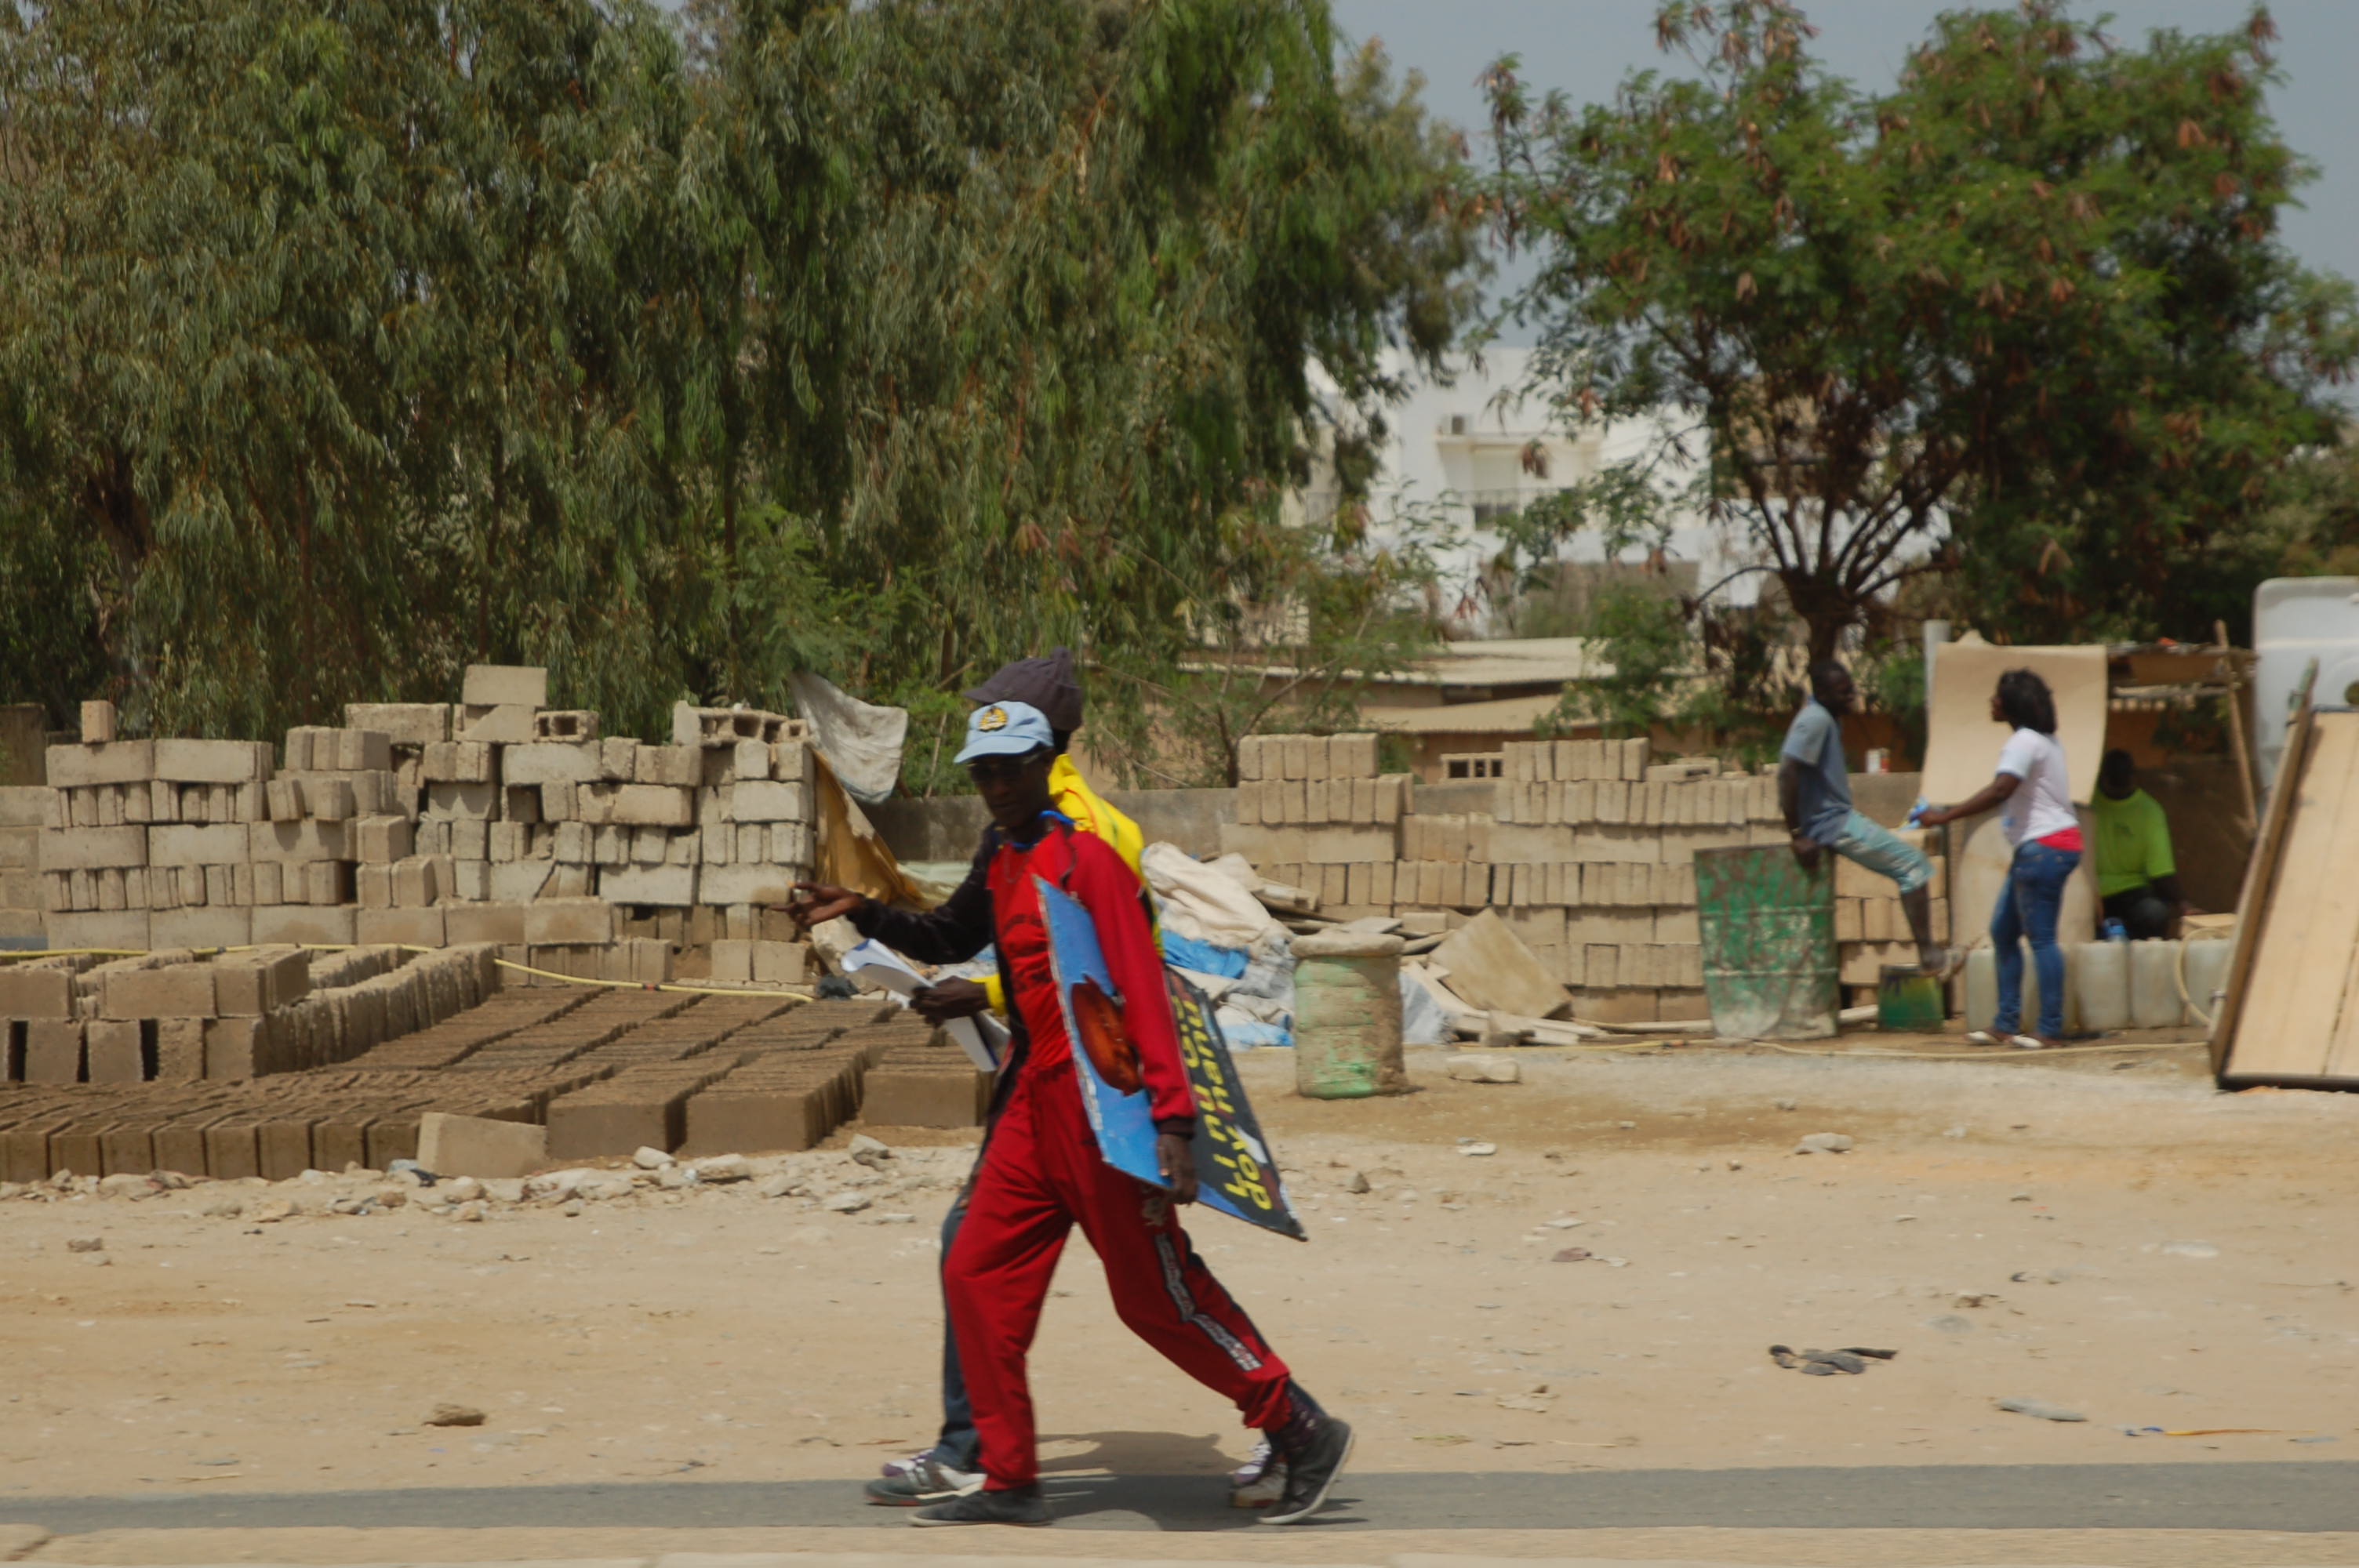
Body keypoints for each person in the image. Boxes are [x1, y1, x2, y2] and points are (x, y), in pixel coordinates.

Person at [789, 700, 1350, 1529]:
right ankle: (1007, 1473)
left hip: (1105, 1102)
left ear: (1046, 760)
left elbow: (1141, 984)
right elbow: (949, 933)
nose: (996, 784)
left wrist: (1173, 1122)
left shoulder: (1087, 859)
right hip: (1030, 1102)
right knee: (974, 1266)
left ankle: (1296, 1425)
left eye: (1010, 766)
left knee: (1155, 1296)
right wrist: (863, 910)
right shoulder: (1004, 853)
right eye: (982, 771)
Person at [1921, 670, 2081, 1050]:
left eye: (1997, 697)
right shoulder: (2046, 741)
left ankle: (2049, 1029)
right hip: (2049, 847)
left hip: (2042, 848)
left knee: (2041, 939)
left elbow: (2000, 790)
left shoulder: (2023, 742)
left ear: (2011, 706)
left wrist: (1944, 816)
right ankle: (2005, 1023)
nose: (1991, 702)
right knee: (2005, 932)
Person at [1779, 660, 1950, 973]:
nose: (1852, 696)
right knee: (1912, 865)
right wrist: (1797, 833)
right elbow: (1787, 772)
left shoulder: (1828, 719)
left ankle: (1929, 954)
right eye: (1844, 692)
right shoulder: (1815, 720)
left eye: (1851, 689)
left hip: (1834, 818)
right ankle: (1930, 956)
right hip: (1831, 824)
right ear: (1823, 692)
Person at [2091, 749, 2187, 940]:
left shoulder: (2149, 811)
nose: (2119, 791)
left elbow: (2161, 873)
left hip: (2133, 894)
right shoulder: (2087, 804)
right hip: (2093, 894)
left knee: (2154, 913)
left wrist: (2183, 905)